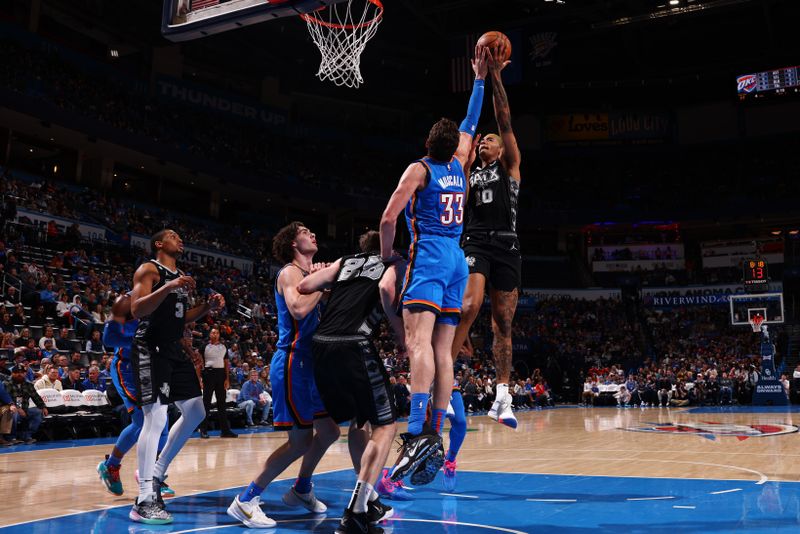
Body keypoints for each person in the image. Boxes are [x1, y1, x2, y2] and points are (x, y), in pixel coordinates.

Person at [378, 46, 489, 483]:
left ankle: (414, 429)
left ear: (428, 144)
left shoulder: (420, 169)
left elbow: (389, 217)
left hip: (427, 257)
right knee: (444, 351)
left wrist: (389, 254)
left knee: (417, 344)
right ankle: (435, 430)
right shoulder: (462, 166)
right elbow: (472, 122)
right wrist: (479, 78)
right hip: (457, 259)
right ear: (458, 146)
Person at [227, 223, 339, 529]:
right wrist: (323, 283)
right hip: (293, 363)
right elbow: (298, 309)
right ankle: (246, 500)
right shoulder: (290, 272)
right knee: (300, 441)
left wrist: (321, 282)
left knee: (329, 432)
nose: (313, 233)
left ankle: (301, 489)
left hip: (311, 365)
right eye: (306, 231)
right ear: (293, 242)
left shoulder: (307, 276)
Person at [296, 230, 405, 532]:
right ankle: (356, 510)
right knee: (386, 425)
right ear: (389, 246)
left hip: (321, 344)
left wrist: (328, 278)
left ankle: (368, 500)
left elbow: (305, 285)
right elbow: (384, 289)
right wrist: (399, 330)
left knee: (360, 423)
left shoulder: (345, 261)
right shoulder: (394, 261)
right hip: (354, 341)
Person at [450, 40, 522, 433]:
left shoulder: (510, 166)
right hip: (476, 242)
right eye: (483, 139)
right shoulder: (466, 172)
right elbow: (468, 132)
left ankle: (502, 396)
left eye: (489, 140)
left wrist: (494, 75)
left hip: (507, 244)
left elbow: (504, 118)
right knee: (468, 307)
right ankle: (443, 379)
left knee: (503, 324)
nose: (484, 141)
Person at [129, 230, 224, 524]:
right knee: (155, 418)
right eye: (173, 236)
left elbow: (182, 318)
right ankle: (144, 499)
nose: (179, 239)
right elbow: (137, 309)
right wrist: (168, 287)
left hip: (173, 349)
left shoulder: (181, 276)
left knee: (196, 411)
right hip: (150, 347)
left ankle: (157, 474)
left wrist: (207, 307)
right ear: (159, 244)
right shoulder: (149, 269)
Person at [97, 293, 171, 498]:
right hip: (128, 368)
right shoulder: (126, 302)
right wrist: (138, 340)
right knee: (143, 420)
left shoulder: (164, 302)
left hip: (151, 366)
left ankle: (150, 474)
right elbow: (109, 339)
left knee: (161, 424)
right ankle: (113, 467)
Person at [199, 328, 236, 438]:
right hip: (208, 374)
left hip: (221, 375)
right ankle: (203, 430)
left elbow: (226, 364)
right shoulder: (204, 346)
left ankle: (225, 431)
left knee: (222, 404)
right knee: (206, 403)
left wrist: (227, 379)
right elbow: (199, 363)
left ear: (219, 335)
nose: (215, 334)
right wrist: (200, 378)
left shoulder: (224, 347)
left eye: (217, 333)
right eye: (213, 332)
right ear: (210, 334)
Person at [4, 364, 48, 444]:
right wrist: (17, 408)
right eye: (17, 372)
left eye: (22, 372)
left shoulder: (28, 384)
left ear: (25, 373)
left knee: (38, 412)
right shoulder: (6, 384)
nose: (20, 374)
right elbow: (5, 399)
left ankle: (26, 436)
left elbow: (36, 397)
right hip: (10, 409)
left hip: (25, 409)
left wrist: (43, 407)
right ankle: (11, 437)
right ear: (12, 373)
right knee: (14, 414)